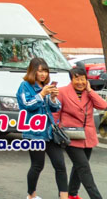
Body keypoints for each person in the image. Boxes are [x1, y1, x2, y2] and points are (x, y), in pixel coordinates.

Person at [17, 57, 66, 199]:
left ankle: (64, 196)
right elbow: (27, 105)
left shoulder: (46, 86)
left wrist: (53, 98)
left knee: (60, 165)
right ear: (33, 72)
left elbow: (55, 108)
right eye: (40, 71)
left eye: (45, 71)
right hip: (34, 133)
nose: (43, 74)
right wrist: (42, 94)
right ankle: (31, 195)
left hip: (49, 132)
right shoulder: (25, 86)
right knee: (37, 165)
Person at [57, 64, 106, 199]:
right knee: (84, 168)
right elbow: (55, 114)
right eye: (76, 79)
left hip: (87, 137)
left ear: (86, 80)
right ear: (71, 79)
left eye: (83, 79)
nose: (80, 82)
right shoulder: (62, 92)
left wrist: (90, 91)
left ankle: (72, 194)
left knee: (79, 166)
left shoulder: (88, 93)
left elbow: (103, 105)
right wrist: (57, 132)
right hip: (70, 136)